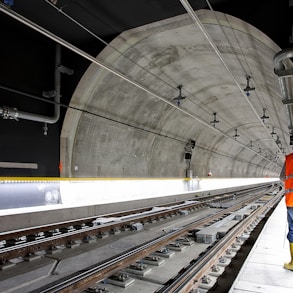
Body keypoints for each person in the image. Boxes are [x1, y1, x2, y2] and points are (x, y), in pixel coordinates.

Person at [280, 153, 293, 270]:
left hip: (291, 201)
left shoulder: (289, 159)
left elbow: (282, 177)